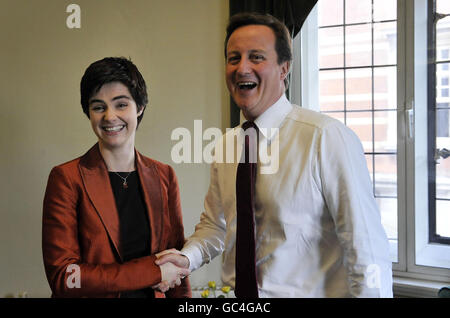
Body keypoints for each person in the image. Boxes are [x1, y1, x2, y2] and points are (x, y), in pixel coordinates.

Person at [155, 13, 393, 297]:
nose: (242, 68)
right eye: (234, 58)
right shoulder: (228, 145)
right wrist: (187, 258)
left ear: (284, 69)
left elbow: (365, 247)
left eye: (256, 57)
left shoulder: (325, 137)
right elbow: (215, 226)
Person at [42, 57, 191, 298]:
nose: (109, 117)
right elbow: (65, 277)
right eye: (98, 107)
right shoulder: (66, 179)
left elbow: (177, 267)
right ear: (88, 113)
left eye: (121, 104)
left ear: (139, 107)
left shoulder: (164, 176)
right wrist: (151, 272)